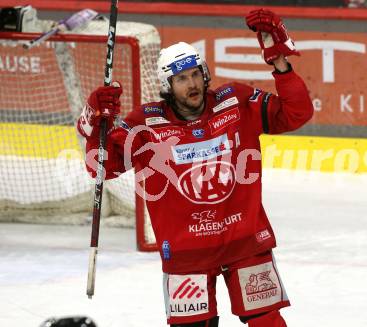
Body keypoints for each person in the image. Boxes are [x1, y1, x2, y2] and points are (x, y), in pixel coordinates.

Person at [77, 9, 314, 327]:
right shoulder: (144, 124)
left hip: (244, 239)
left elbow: (297, 113)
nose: (192, 84)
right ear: (167, 84)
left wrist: (280, 64)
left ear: (204, 73)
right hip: (187, 250)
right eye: (181, 78)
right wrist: (93, 122)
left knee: (267, 321)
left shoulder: (235, 102)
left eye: (194, 74)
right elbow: (100, 169)